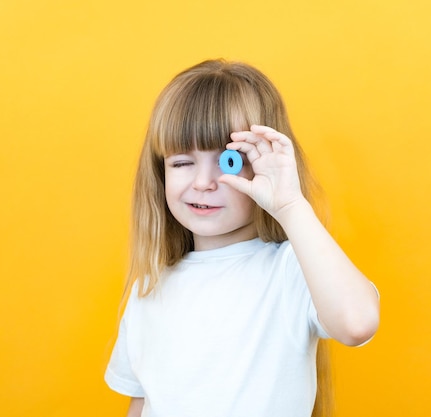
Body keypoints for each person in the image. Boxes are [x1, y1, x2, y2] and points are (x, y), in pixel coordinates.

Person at [105, 59, 380, 417]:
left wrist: (290, 205)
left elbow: (357, 323)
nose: (203, 182)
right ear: (160, 173)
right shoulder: (149, 287)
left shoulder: (292, 270)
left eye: (228, 161)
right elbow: (142, 401)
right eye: (181, 163)